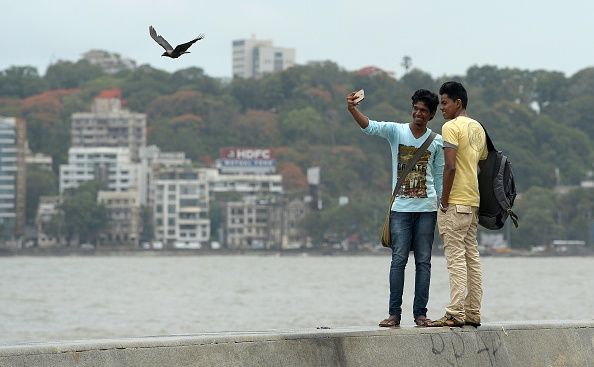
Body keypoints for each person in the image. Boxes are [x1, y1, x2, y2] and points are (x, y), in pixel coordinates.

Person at [346, 89, 444, 327]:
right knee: (398, 260)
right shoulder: (396, 131)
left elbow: (439, 177)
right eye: (416, 109)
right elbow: (370, 127)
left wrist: (444, 207)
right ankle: (394, 314)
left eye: (424, 111)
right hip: (400, 208)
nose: (418, 113)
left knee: (424, 262)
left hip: (427, 209)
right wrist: (352, 109)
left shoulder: (437, 141)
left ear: (431, 115)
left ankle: (420, 313)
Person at [427, 81, 487, 328]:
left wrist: (443, 199)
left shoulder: (451, 127)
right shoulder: (478, 128)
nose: (441, 108)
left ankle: (454, 313)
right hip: (473, 201)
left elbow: (450, 166)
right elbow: (480, 162)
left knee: (455, 258)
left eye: (444, 102)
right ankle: (473, 311)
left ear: (457, 103)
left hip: (455, 201)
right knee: (472, 257)